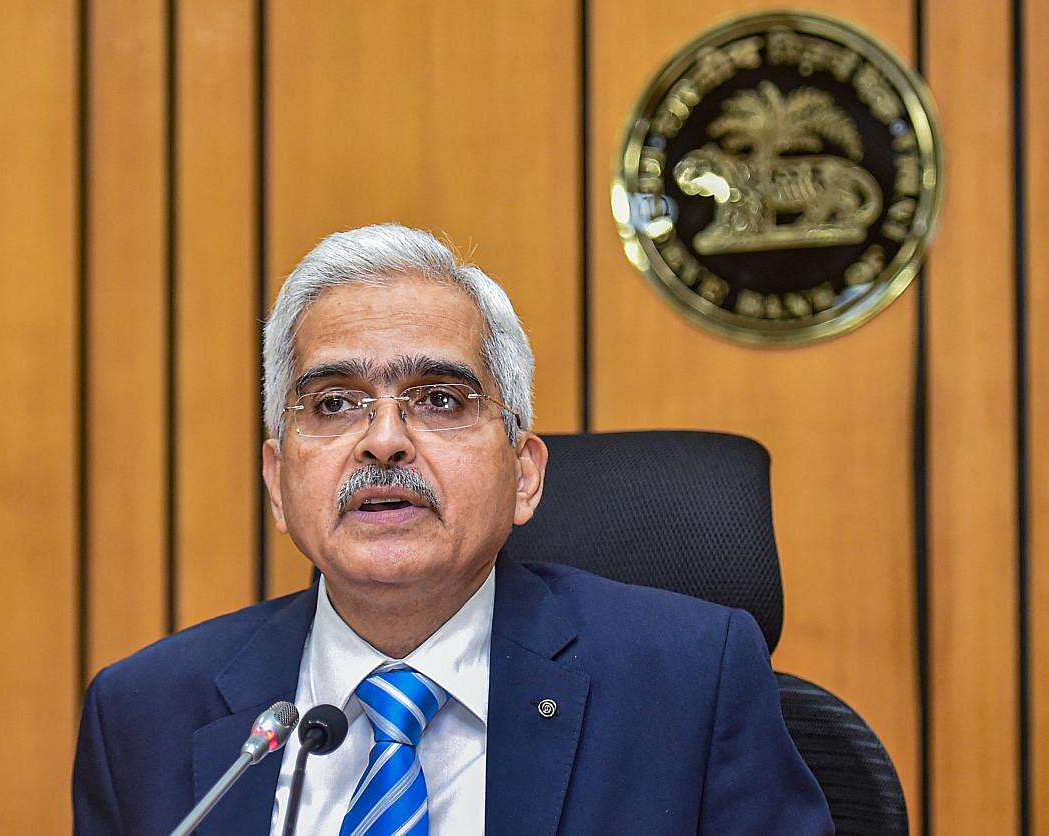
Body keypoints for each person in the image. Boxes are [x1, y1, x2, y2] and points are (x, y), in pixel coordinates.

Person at [73, 223, 833, 835]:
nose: (383, 442)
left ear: (524, 474)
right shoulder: (145, 714)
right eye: (334, 403)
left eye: (438, 398)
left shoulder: (692, 680)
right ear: (278, 482)